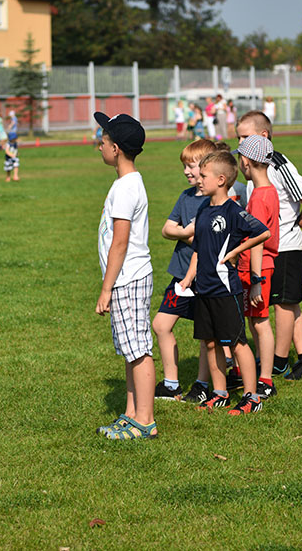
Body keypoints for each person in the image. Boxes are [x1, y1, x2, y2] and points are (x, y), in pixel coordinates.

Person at [178, 151, 270, 415]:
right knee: (210, 341)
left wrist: (234, 252)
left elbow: (262, 232)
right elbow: (198, 249)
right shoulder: (204, 210)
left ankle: (252, 397)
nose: (198, 179)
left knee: (237, 341)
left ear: (221, 180)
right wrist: (187, 279)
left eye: (203, 176)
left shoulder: (233, 210)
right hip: (203, 288)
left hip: (225, 289)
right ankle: (219, 393)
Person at [234, 111, 302, 382]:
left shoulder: (278, 163)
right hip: (272, 246)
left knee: (282, 304)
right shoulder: (254, 173)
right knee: (289, 303)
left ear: (263, 136)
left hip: (285, 246)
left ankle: (279, 361)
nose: (241, 142)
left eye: (245, 137)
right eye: (238, 137)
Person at [93, 112, 156, 440]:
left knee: (139, 349)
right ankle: (132, 414)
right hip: (126, 278)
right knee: (130, 349)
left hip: (127, 277)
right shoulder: (127, 183)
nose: (98, 146)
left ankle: (146, 420)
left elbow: (120, 241)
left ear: (115, 148)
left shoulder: (127, 187)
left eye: (102, 142)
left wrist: (106, 289)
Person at [152, 138, 217, 402]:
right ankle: (171, 384)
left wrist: (189, 235)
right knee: (160, 324)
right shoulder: (186, 197)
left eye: (191, 166)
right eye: (185, 166)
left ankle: (202, 385)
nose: (186, 172)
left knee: (205, 334)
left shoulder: (215, 200)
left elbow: (213, 240)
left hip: (205, 277)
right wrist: (186, 232)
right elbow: (167, 228)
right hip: (180, 275)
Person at [234, 134, 280, 399]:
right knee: (254, 322)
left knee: (261, 323)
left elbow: (258, 240)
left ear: (247, 162)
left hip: (258, 268)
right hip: (256, 267)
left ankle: (266, 379)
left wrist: (255, 281)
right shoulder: (266, 192)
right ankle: (258, 370)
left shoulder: (260, 197)